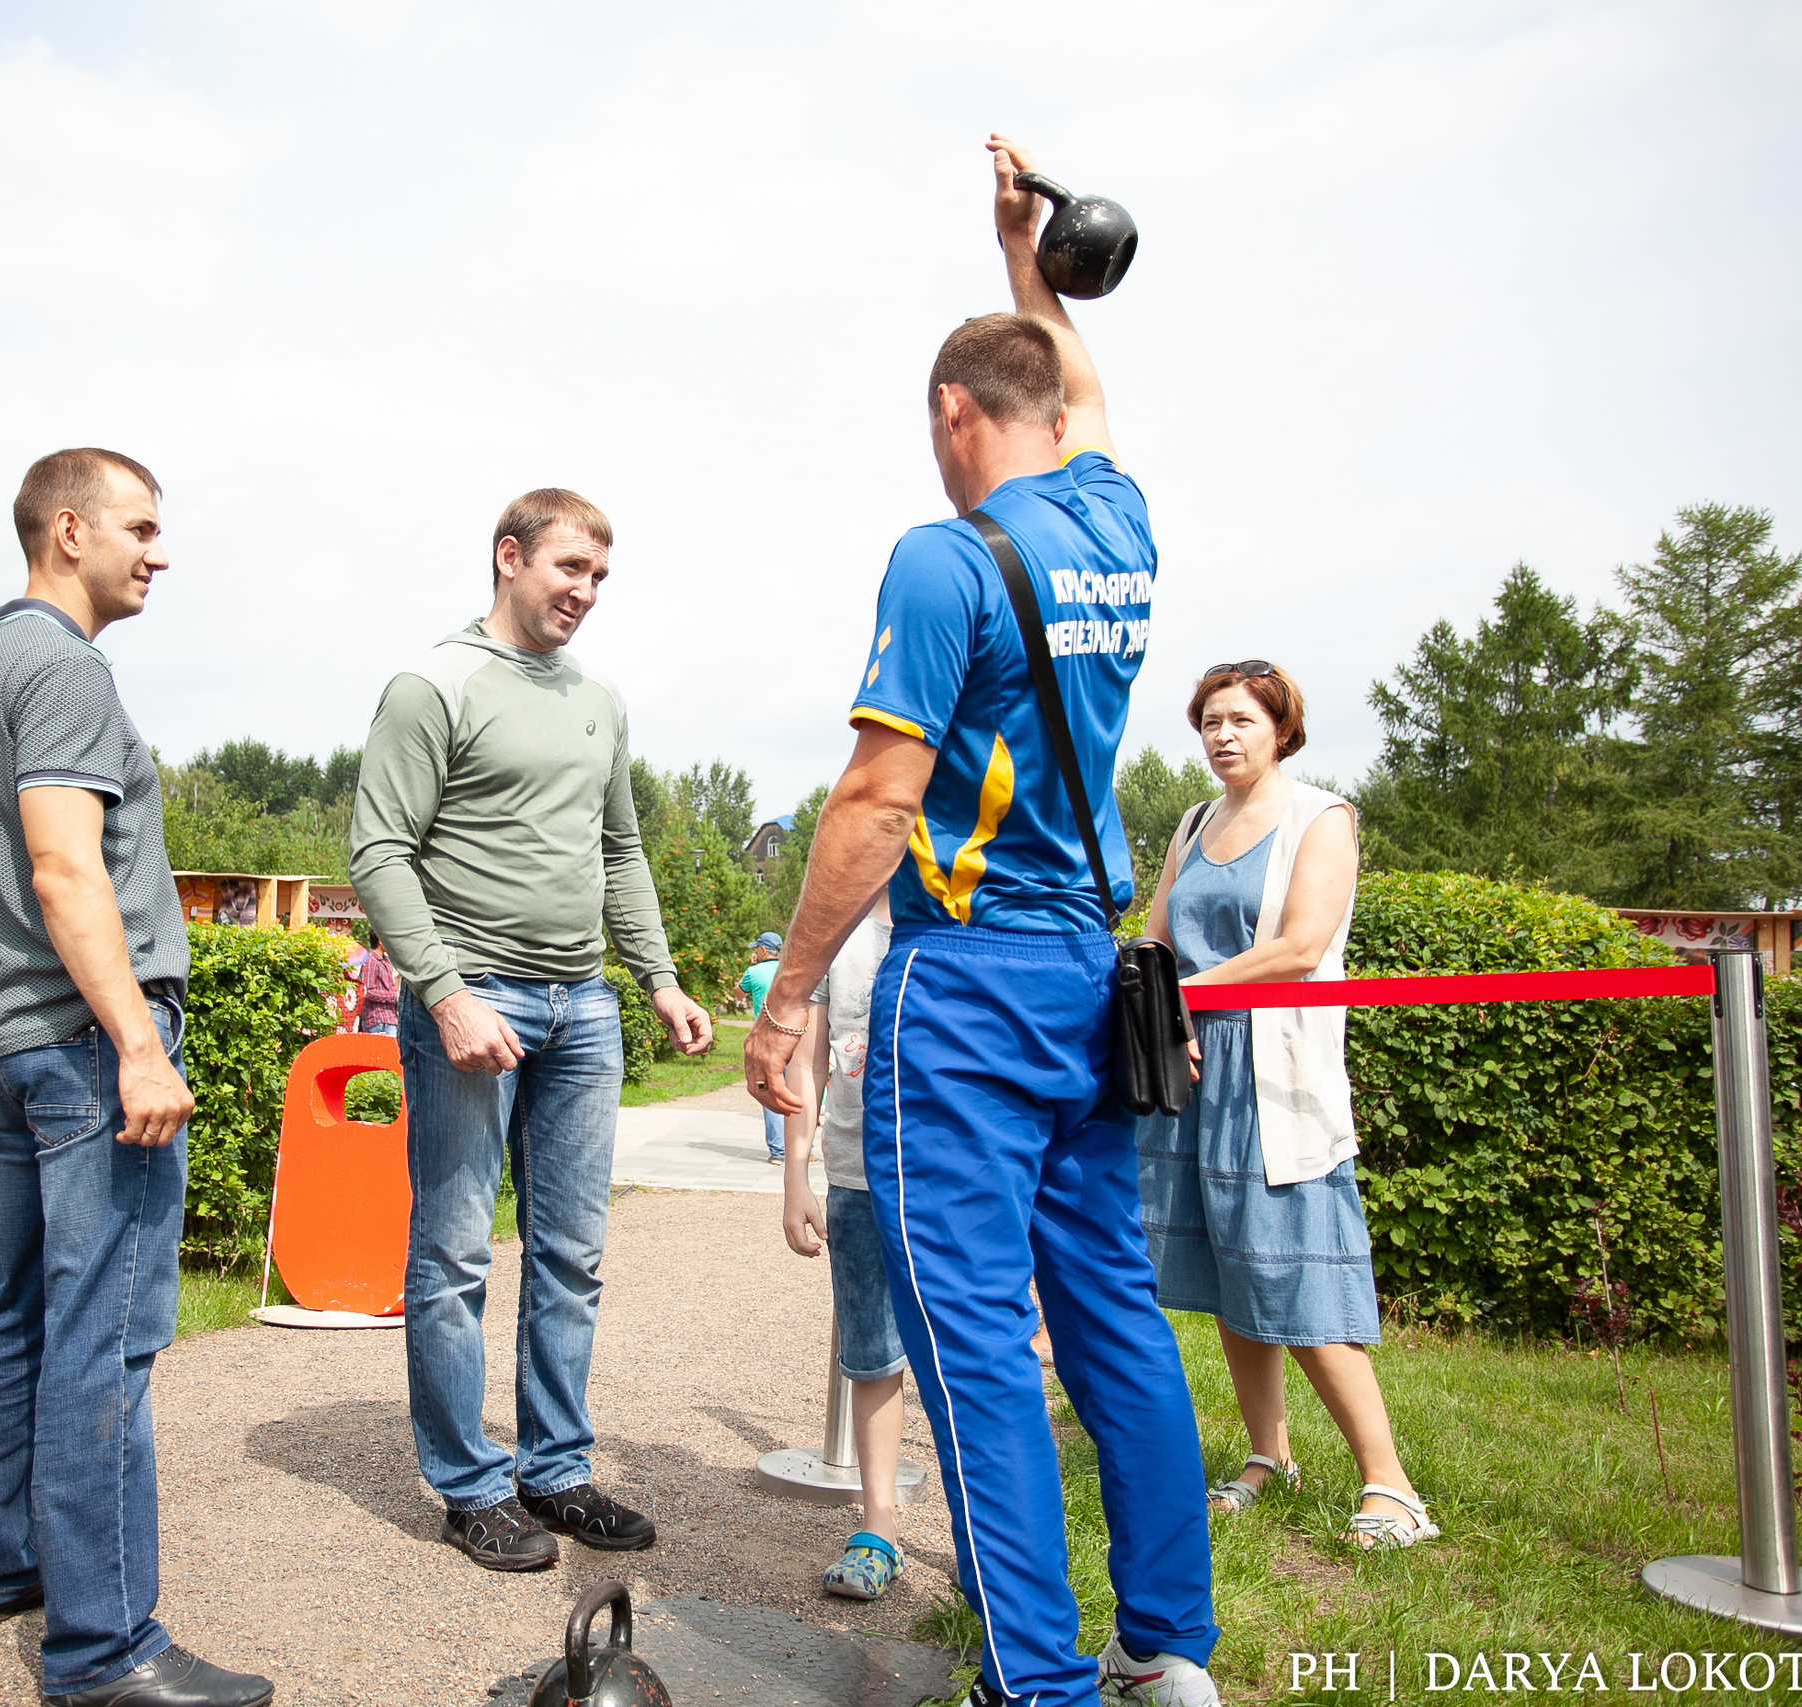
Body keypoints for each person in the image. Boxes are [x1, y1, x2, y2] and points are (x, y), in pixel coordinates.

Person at [745, 136, 1220, 1707]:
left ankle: (1040, 1679)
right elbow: (1083, 392)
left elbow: (875, 801)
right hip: (1093, 967)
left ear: (955, 415)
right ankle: (1168, 1647)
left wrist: (791, 993)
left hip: (967, 983)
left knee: (965, 1341)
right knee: (1112, 1317)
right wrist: (1029, 261)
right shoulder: (1123, 525)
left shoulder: (945, 556)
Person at [0, 449, 272, 1707]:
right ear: (66, 530)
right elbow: (66, 871)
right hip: (84, 1042)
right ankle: (106, 1650)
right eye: (139, 527)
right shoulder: (64, 667)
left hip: (6, 1038)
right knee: (103, 1336)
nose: (158, 552)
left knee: (19, 1301)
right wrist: (137, 1042)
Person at [349, 487, 714, 1573]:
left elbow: (619, 852)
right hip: (473, 1000)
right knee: (455, 1250)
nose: (586, 593)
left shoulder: (599, 698)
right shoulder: (434, 685)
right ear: (508, 557)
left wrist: (656, 977)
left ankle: (553, 1470)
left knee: (571, 1252)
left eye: (600, 577)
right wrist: (446, 993)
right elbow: (378, 852)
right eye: (569, 569)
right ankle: (468, 1486)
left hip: (582, 1005)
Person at [1136, 664, 1435, 1549]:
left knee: (1293, 1266)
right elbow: (1156, 940)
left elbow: (1302, 946)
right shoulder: (1192, 822)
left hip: (1274, 1070)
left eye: (1241, 720)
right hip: (1188, 1067)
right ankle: (1270, 1455)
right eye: (1209, 721)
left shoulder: (1324, 816)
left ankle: (1392, 1484)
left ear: (1281, 729)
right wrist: (1157, 1007)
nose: (1222, 735)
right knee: (1231, 1271)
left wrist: (1183, 995)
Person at [778, 889, 909, 1602]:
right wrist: (797, 1174)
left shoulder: (963, 907)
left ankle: (992, 1534)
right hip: (857, 1174)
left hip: (948, 1179)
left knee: (967, 1356)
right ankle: (879, 1523)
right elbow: (810, 1057)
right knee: (871, 1353)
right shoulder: (844, 928)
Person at [740, 931, 787, 1161]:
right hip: (793, 1038)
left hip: (766, 1040)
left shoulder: (753, 972)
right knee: (798, 1091)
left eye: (756, 948)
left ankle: (778, 1152)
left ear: (762, 950)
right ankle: (804, 1151)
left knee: (769, 1093)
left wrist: (750, 968)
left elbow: (737, 992)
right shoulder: (789, 969)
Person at [358, 936, 400, 1036]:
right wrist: (393, 996)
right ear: (380, 941)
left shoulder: (386, 960)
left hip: (390, 1018)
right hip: (378, 1019)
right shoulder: (371, 960)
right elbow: (367, 991)